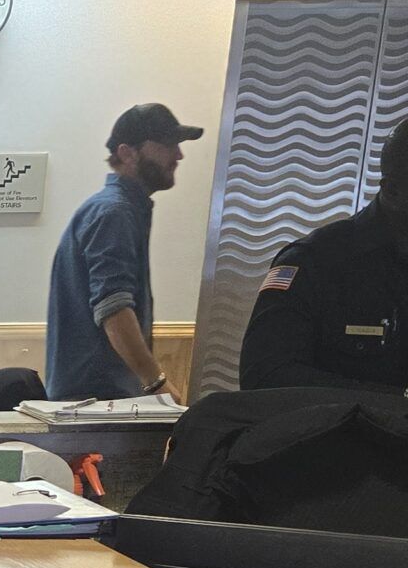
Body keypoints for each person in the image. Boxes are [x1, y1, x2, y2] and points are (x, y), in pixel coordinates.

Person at [45, 102, 203, 400]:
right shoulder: (114, 213)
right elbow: (114, 308)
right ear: (127, 153)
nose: (179, 155)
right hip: (98, 403)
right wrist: (157, 385)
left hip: (96, 400)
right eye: (168, 145)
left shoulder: (118, 209)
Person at [239, 115, 408, 392]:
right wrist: (395, 401)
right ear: (394, 191)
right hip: (343, 421)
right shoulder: (314, 261)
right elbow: (265, 375)